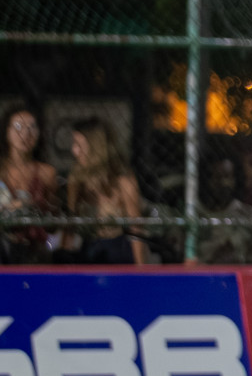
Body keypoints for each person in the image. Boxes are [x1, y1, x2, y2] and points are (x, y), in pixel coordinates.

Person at [67, 117, 146, 265]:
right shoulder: (77, 179)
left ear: (95, 147)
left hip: (117, 250)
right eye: (73, 144)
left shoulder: (123, 180)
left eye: (79, 145)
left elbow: (136, 228)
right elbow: (70, 225)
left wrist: (141, 269)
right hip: (88, 249)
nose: (74, 151)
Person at [1, 104, 59, 264]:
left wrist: (34, 206)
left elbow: (53, 222)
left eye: (32, 127)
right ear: (6, 132)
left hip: (33, 248)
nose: (26, 134)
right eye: (18, 127)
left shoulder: (46, 172)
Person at [192, 153, 252, 264]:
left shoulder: (244, 212)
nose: (224, 183)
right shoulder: (195, 212)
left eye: (228, 177)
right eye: (217, 177)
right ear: (207, 179)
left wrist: (232, 245)